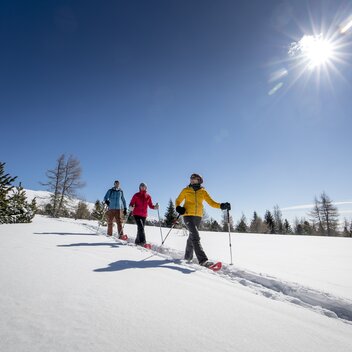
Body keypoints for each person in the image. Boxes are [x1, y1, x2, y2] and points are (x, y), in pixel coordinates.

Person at [175, 173, 230, 267]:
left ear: (199, 180)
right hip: (187, 215)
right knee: (195, 236)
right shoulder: (186, 190)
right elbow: (178, 200)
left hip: (198, 217)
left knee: (192, 236)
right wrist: (178, 207)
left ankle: (187, 258)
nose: (191, 180)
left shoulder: (203, 192)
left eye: (194, 178)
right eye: (191, 178)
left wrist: (221, 205)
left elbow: (211, 203)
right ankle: (203, 260)